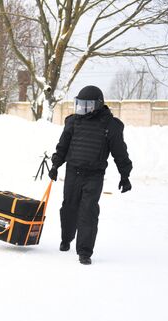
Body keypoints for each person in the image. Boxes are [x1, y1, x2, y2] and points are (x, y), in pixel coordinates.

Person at [48, 85, 132, 265]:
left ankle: (84, 251)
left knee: (88, 211)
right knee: (69, 208)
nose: (83, 109)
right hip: (72, 172)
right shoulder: (73, 121)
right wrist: (55, 165)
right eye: (81, 105)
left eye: (87, 106)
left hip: (94, 175)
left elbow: (120, 153)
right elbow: (63, 146)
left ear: (98, 105)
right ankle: (67, 238)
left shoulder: (110, 125)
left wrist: (125, 175)